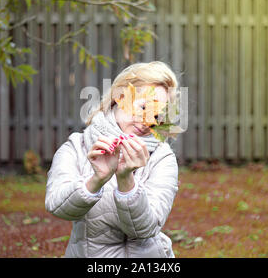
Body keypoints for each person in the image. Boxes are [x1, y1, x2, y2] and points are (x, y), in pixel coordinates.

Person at [45, 61, 180, 258]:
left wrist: (126, 180)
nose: (149, 121)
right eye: (144, 107)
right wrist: (96, 180)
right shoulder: (78, 146)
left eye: (157, 115)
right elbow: (57, 206)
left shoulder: (162, 156)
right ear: (120, 96)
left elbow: (145, 229)